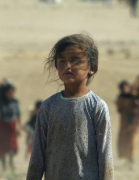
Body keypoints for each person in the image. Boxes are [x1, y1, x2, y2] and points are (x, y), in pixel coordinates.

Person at [26, 33, 114, 179]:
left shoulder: (97, 107)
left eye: (75, 60)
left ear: (91, 67)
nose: (67, 65)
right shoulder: (48, 106)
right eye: (62, 60)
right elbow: (37, 155)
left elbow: (105, 158)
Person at [0, 80, 21, 173]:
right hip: (2, 126)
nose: (10, 93)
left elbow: (18, 115)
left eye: (12, 92)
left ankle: (11, 163)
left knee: (11, 145)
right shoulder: (0, 100)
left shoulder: (15, 102)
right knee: (2, 145)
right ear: (5, 92)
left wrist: (19, 127)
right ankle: (3, 166)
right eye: (8, 92)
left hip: (12, 126)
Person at [116, 80, 138, 168]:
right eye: (123, 87)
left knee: (132, 140)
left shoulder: (133, 96)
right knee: (124, 140)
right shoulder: (120, 97)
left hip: (132, 121)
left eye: (126, 87)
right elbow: (119, 108)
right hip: (124, 121)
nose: (124, 89)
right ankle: (126, 159)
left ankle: (131, 160)